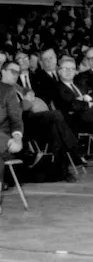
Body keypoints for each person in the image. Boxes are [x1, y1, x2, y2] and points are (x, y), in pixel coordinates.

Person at [0, 63, 23, 215]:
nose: (15, 74)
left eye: (17, 72)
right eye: (12, 71)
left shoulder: (7, 90)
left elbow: (16, 120)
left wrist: (17, 138)